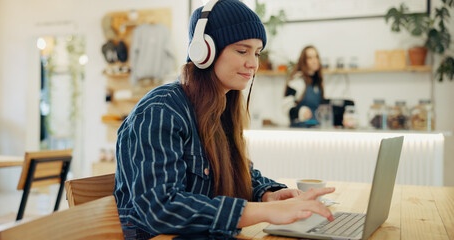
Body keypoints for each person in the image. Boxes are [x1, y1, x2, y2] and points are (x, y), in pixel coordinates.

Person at [114, 1, 334, 239]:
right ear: (204, 51)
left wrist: (266, 194)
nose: (253, 64)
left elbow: (233, 171)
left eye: (257, 53)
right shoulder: (160, 110)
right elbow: (161, 208)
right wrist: (265, 211)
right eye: (242, 51)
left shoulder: (220, 106)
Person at [282, 46, 325, 127]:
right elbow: (286, 107)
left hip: (315, 128)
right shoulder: (297, 80)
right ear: (303, 61)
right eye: (310, 58)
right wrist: (300, 112)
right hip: (300, 130)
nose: (314, 61)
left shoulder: (317, 82)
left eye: (316, 57)